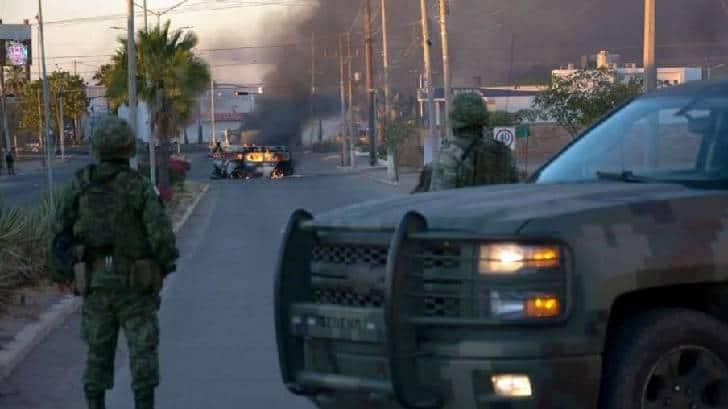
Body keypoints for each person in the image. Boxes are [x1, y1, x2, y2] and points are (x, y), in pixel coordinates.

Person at [51, 116, 179, 409]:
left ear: (96, 147)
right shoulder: (138, 187)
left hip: (96, 286)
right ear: (128, 148)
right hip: (135, 286)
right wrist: (164, 265)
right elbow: (160, 233)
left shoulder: (80, 184)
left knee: (98, 354)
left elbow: (60, 231)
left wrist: (62, 273)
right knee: (142, 353)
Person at [414, 93, 518, 192]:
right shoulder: (502, 153)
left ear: (454, 125)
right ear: (484, 121)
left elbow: (436, 202)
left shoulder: (449, 157)